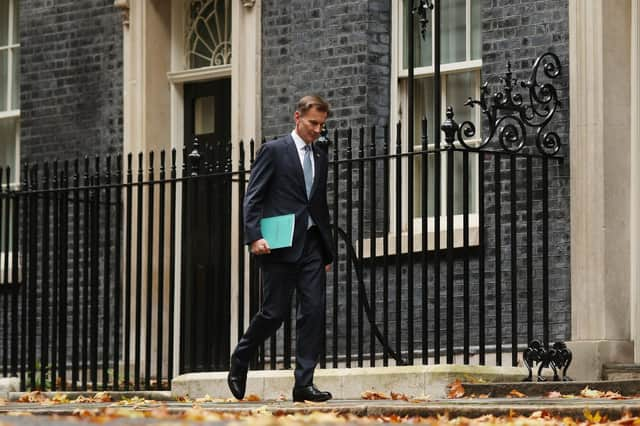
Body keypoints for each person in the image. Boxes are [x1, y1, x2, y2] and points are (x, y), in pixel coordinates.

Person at [227, 95, 334, 402]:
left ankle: (304, 383)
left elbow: (319, 205)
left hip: (312, 245)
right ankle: (241, 357)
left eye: (322, 125)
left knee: (313, 311)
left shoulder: (320, 155)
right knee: (274, 313)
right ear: (296, 117)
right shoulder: (274, 151)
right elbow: (254, 196)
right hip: (279, 244)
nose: (317, 130)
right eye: (313, 123)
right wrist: (254, 236)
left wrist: (326, 250)